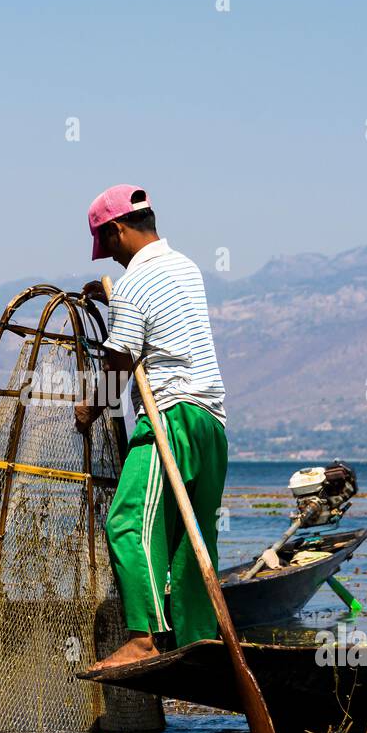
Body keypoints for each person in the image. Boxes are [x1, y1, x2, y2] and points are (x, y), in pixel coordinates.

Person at [75, 185, 229, 671]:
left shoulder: (137, 283)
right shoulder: (184, 267)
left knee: (124, 522)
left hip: (171, 418)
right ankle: (200, 642)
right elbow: (159, 326)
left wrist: (92, 408)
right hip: (211, 422)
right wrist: (112, 300)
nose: (113, 258)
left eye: (109, 246)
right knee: (192, 537)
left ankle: (142, 640)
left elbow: (120, 361)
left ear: (118, 230)